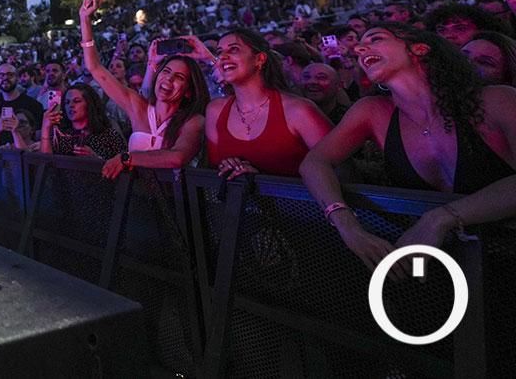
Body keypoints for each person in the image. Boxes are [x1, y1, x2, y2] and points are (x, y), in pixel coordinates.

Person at [299, 23, 516, 272]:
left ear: (419, 49)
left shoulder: (498, 101)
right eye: (359, 45)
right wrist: (348, 227)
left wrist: (441, 218)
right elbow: (315, 163)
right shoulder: (373, 112)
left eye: (376, 38)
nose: (359, 48)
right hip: (436, 270)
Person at [76, 0, 209, 178]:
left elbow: (177, 157)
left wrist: (126, 158)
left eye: (179, 77)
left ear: (188, 91)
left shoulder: (193, 121)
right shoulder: (138, 107)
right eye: (166, 72)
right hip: (139, 201)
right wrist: (84, 20)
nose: (168, 80)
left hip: (177, 204)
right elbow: (95, 68)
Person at [207, 28, 332, 178]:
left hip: (296, 200)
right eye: (219, 52)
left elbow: (341, 170)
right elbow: (212, 168)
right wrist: (227, 165)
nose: (223, 57)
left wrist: (262, 179)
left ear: (259, 59)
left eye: (234, 49)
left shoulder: (298, 110)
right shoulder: (215, 110)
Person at [40, 84, 128, 160]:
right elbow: (45, 164)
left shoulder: (109, 135)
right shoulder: (61, 135)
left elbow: (124, 167)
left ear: (89, 104)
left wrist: (96, 159)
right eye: (67, 102)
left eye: (76, 101)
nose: (71, 106)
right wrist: (45, 128)